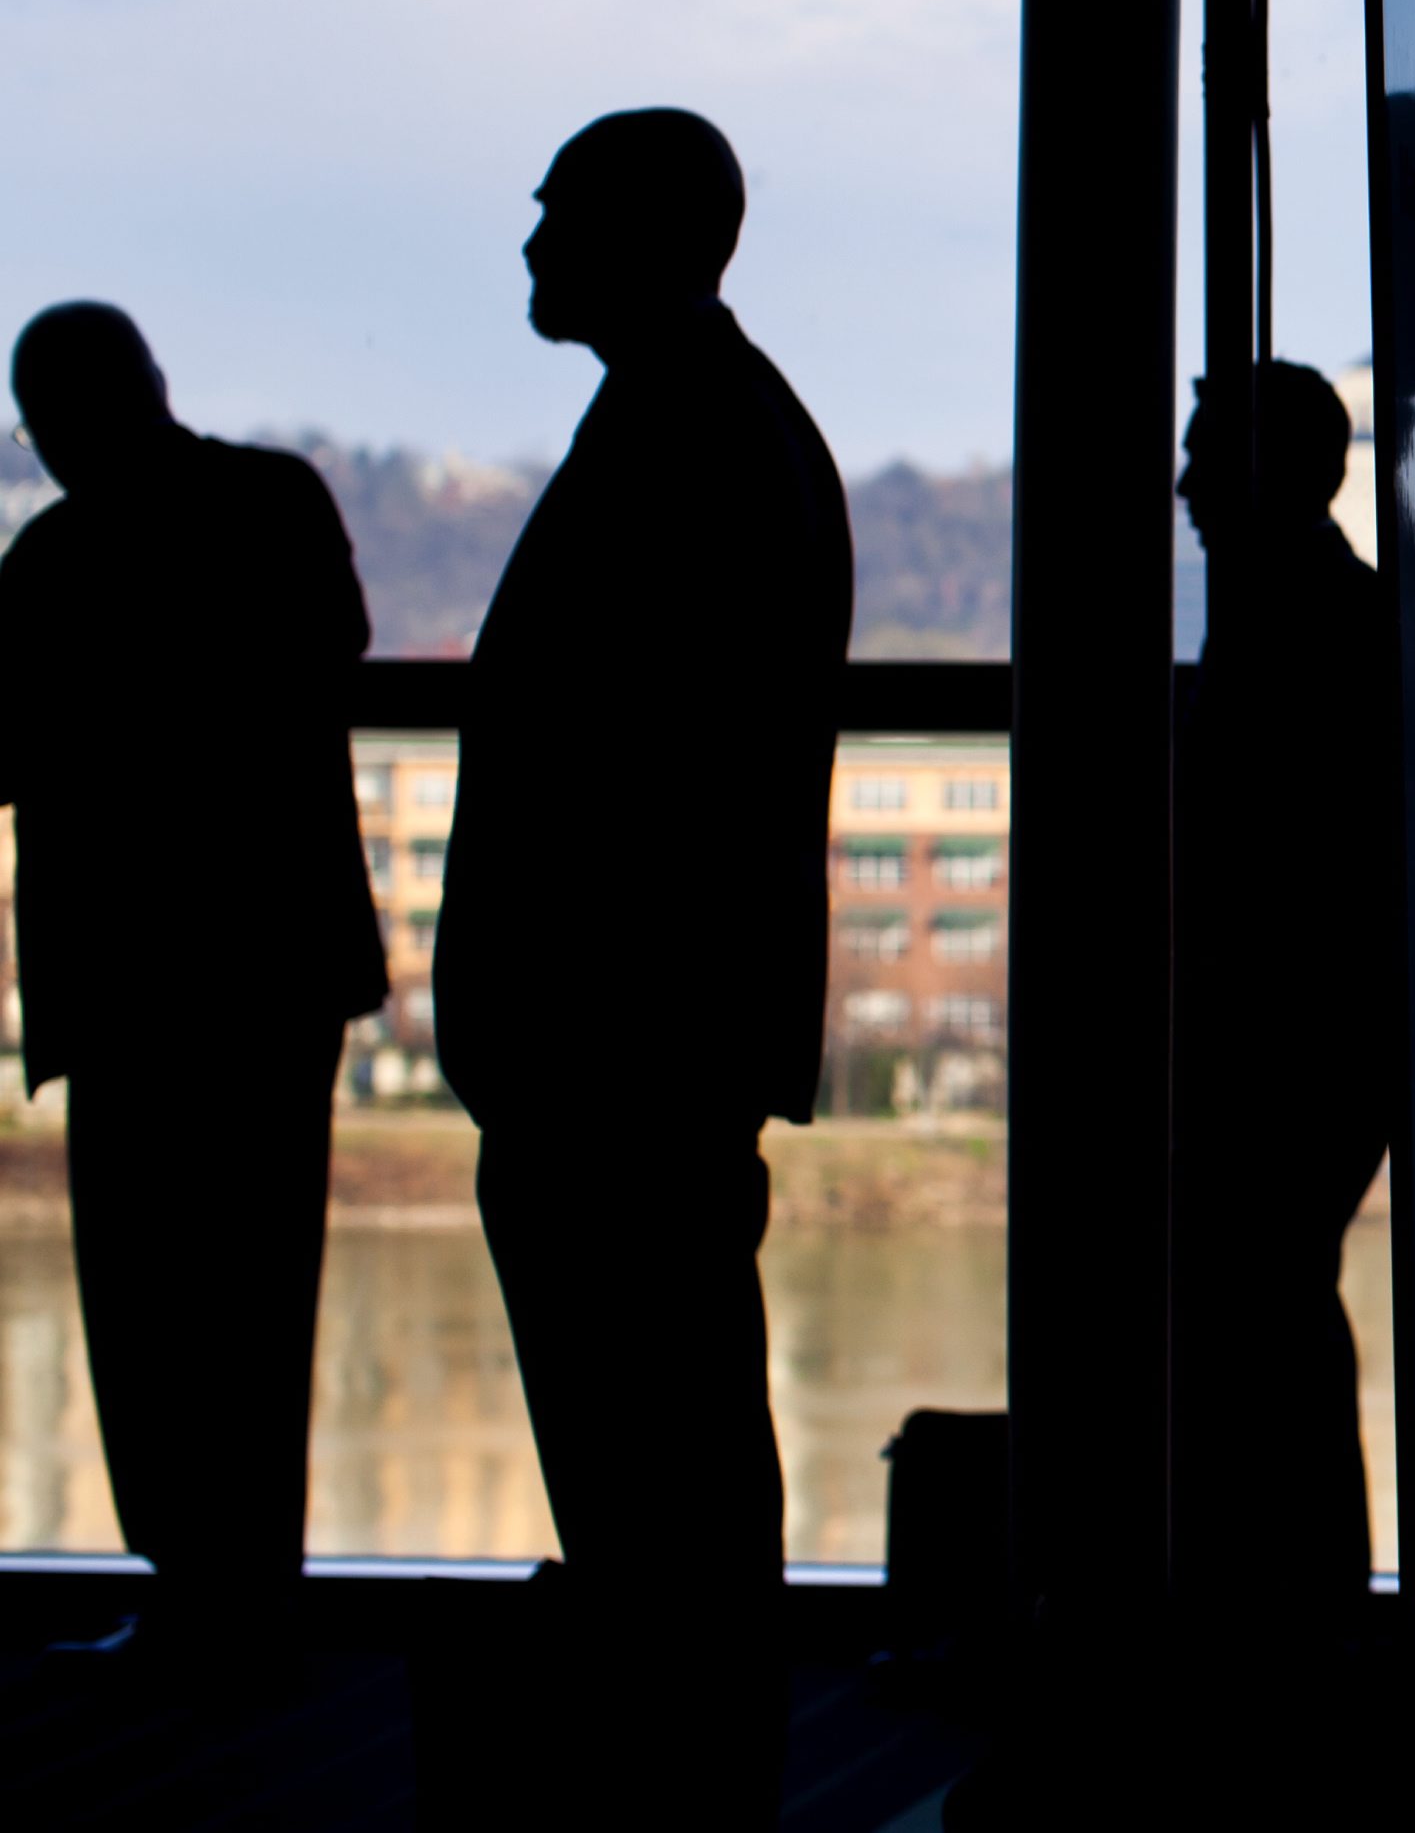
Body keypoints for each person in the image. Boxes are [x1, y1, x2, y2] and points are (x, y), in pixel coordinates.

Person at [431, 109, 849, 1818]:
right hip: (636, 1047)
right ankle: (692, 1758)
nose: (529, 248)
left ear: (641, 232)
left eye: (556, 217)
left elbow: (637, 776)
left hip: (620, 1052)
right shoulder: (712, 427)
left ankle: (684, 1774)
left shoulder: (687, 439)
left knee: (650, 1459)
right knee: (665, 1454)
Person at [0, 304, 381, 1653]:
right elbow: (331, 647)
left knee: (150, 1304)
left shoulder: (50, 559)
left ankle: (189, 1582)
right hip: (275, 967)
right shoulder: (276, 500)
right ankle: (247, 1590)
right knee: (257, 1293)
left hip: (125, 981)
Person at [1167, 359, 1399, 1751]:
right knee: (1283, 1318)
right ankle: (1316, 1617)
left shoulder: (1290, 623)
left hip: (1281, 1047)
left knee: (1264, 1320)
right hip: (1317, 1045)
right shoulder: (1327, 609)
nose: (1186, 483)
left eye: (1204, 453)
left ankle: (1298, 1620)